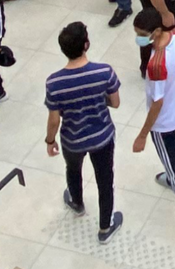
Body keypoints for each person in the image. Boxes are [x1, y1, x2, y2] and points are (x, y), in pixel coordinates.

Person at [44, 21, 125, 242]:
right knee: (105, 180)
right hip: (102, 137)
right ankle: (105, 227)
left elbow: (54, 119)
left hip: (72, 139)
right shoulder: (104, 72)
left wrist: (50, 141)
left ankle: (77, 203)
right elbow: (115, 102)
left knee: (73, 169)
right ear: (86, 44)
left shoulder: (54, 82)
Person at [131, 5, 175, 239]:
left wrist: (143, 134)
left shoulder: (155, 65)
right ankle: (170, 169)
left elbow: (157, 103)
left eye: (141, 35)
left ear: (154, 32)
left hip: (164, 124)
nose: (138, 39)